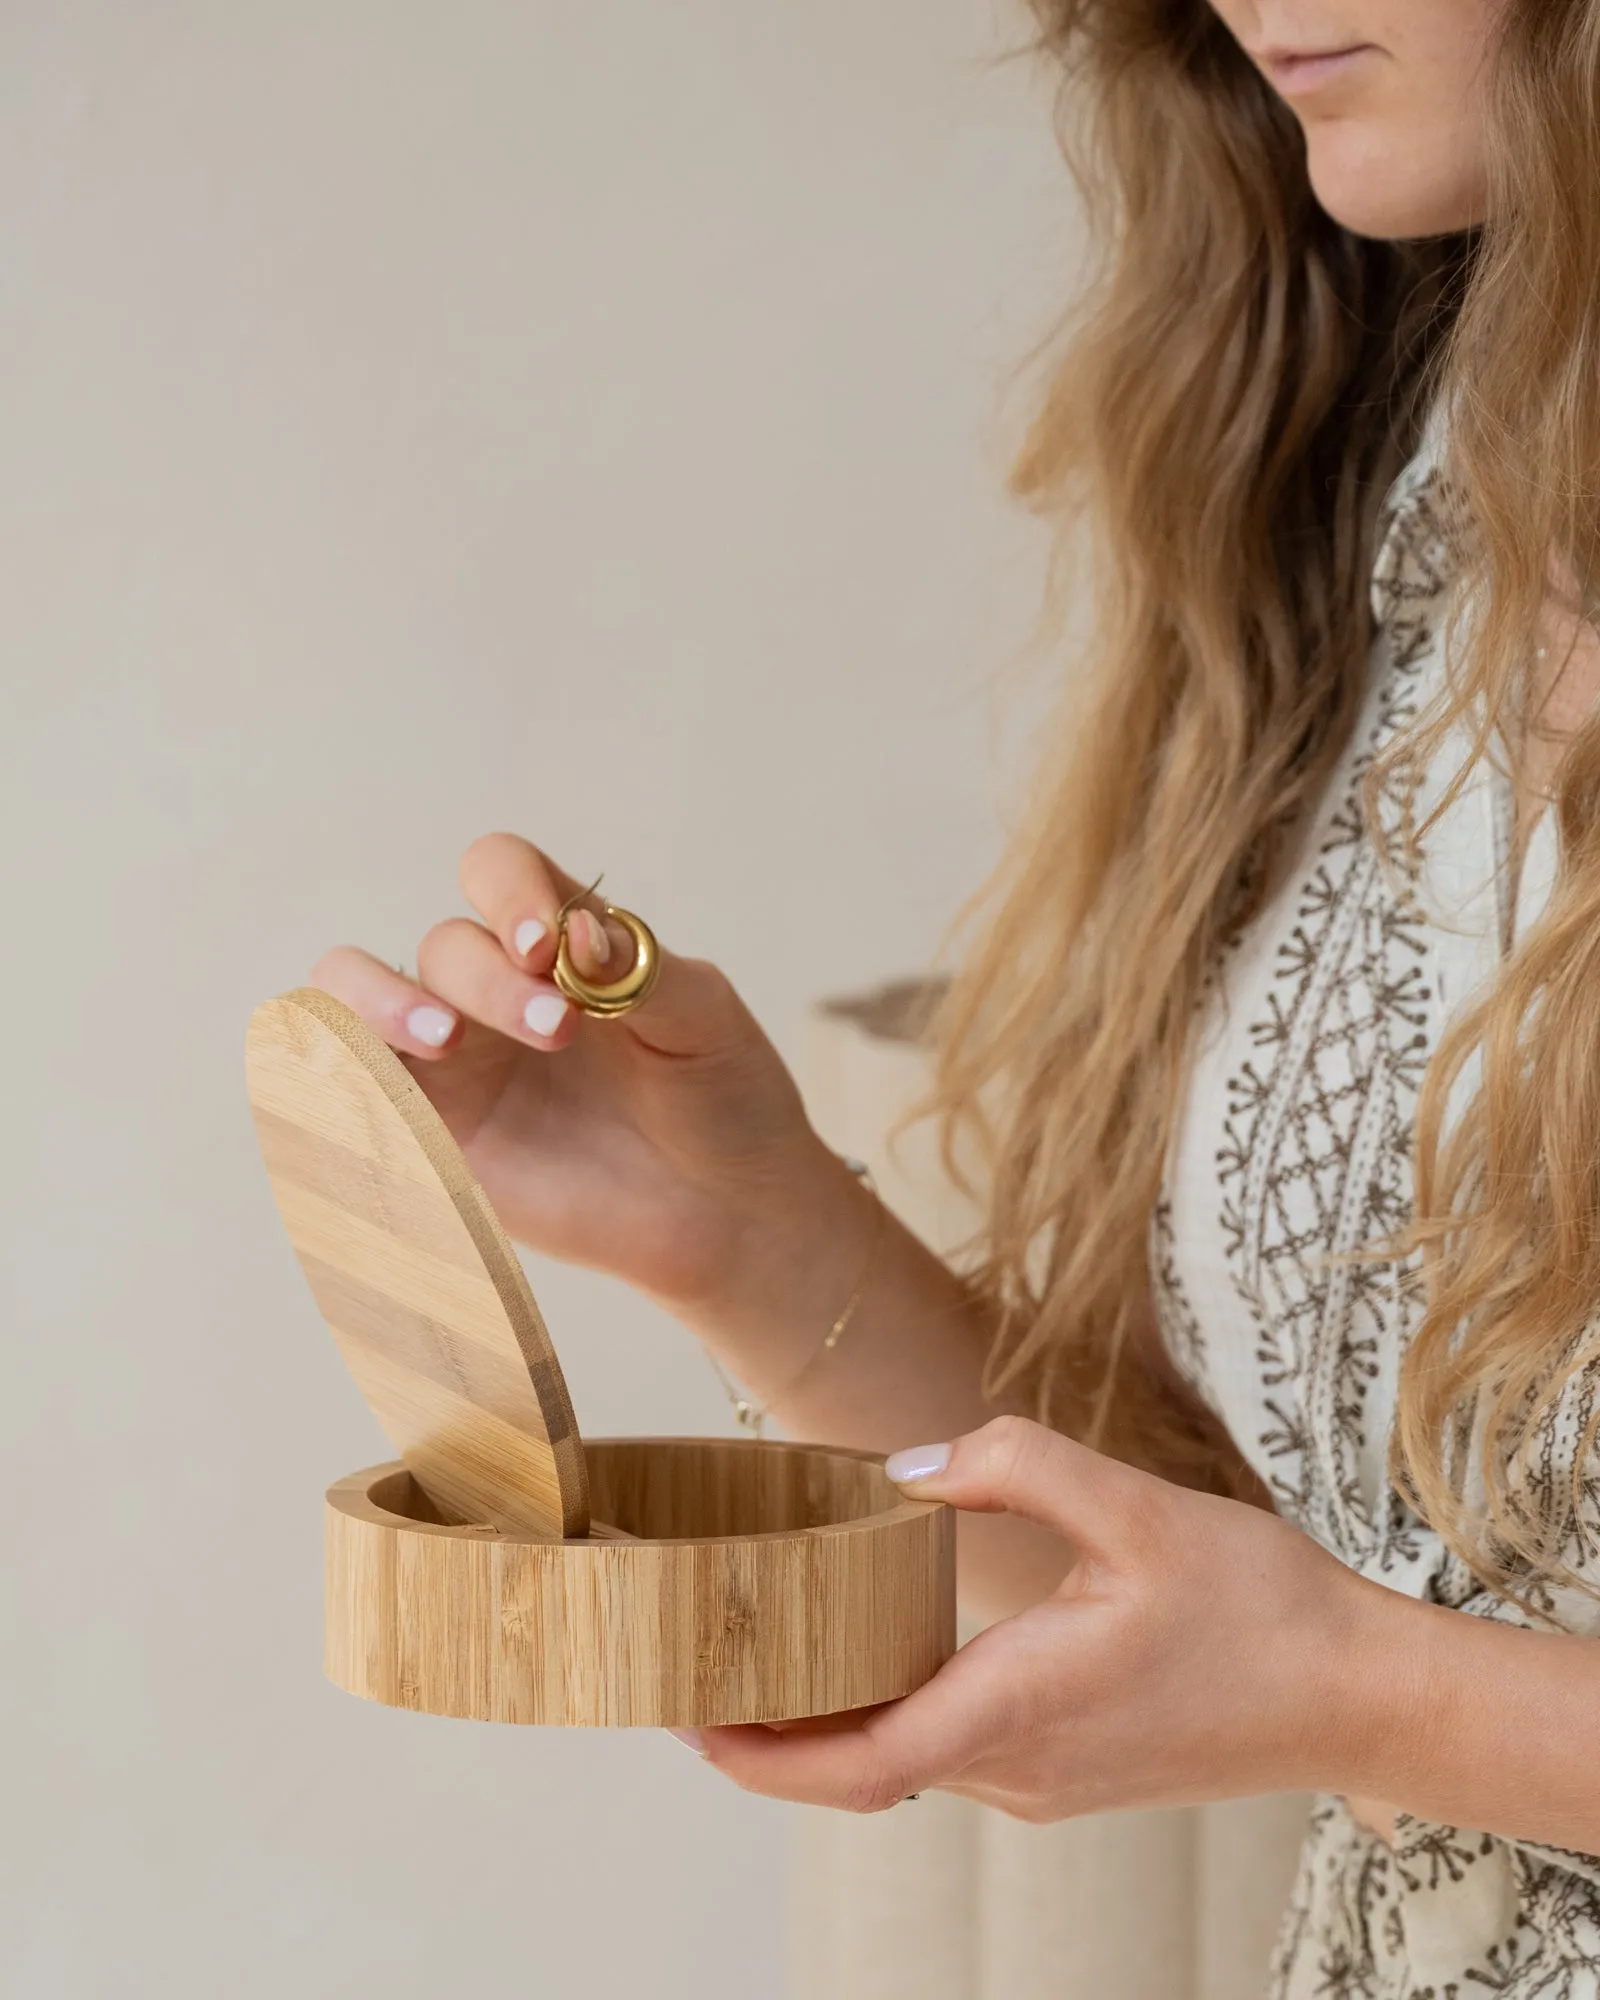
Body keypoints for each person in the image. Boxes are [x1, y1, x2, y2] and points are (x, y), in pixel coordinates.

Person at [312, 4, 1600, 1990]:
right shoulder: (1400, 500)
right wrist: (749, 1228)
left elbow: (1350, 1665)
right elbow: (1281, 1596)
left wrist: (1370, 1697)